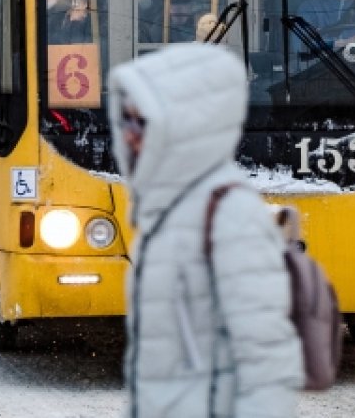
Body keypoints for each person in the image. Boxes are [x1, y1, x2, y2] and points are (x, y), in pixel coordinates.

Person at [108, 44, 302, 418]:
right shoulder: (167, 211)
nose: (130, 135)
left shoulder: (230, 215)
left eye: (143, 121)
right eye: (126, 120)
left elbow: (266, 359)